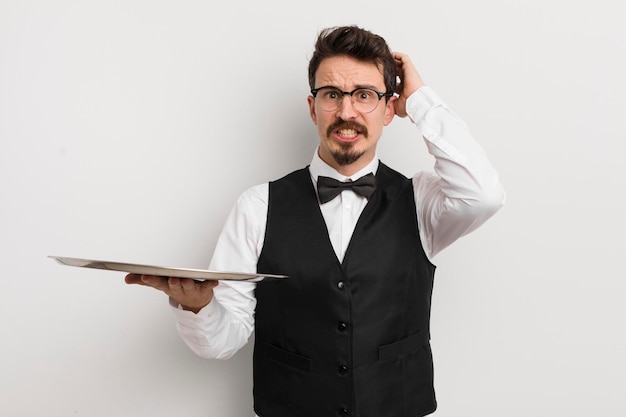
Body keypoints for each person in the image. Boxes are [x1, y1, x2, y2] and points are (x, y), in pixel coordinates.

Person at [126, 25, 505, 417]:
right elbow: (221, 341)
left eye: (364, 95)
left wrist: (421, 101)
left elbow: (485, 194)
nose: (346, 112)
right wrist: (198, 307)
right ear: (312, 107)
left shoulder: (423, 201)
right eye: (332, 95)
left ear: (390, 108)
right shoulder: (257, 206)